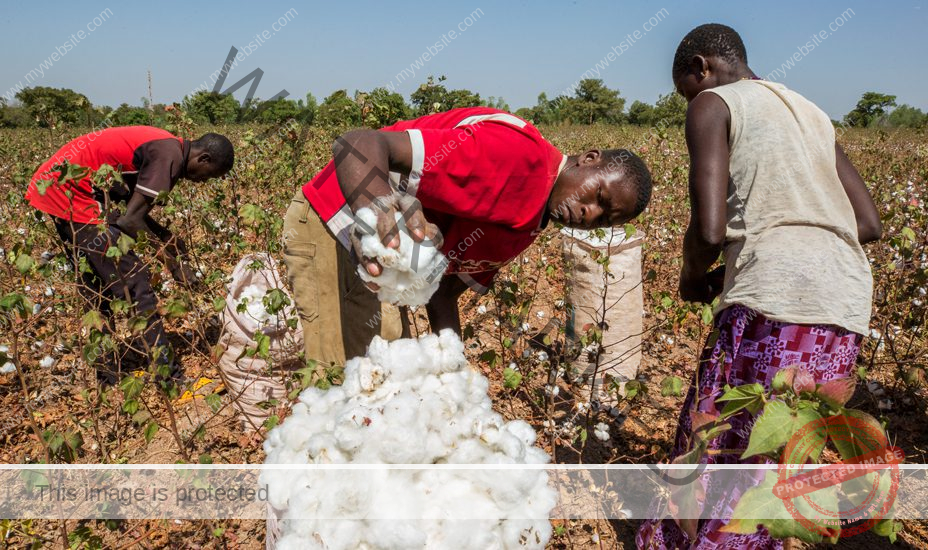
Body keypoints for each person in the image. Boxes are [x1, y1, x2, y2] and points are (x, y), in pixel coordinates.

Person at [637, 24, 881, 549]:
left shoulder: (714, 103)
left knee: (719, 441)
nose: (691, 99)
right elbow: (869, 225)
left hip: (774, 293)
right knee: (780, 461)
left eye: (687, 87)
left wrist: (689, 277)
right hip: (845, 300)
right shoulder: (812, 113)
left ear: (701, 68)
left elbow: (708, 229)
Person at [283, 107, 652, 375]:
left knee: (389, 375)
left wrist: (451, 364)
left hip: (378, 263)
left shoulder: (533, 222)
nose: (590, 214)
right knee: (351, 385)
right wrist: (376, 212)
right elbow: (357, 144)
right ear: (588, 159)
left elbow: (443, 291)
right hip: (335, 222)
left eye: (604, 218)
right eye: (598, 197)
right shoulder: (517, 157)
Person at [26, 126, 235, 383]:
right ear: (203, 159)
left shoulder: (169, 146)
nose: (204, 182)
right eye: (209, 176)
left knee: (99, 286)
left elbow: (132, 208)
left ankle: (108, 376)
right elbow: (129, 221)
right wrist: (173, 264)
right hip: (73, 194)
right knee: (135, 285)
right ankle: (168, 377)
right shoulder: (169, 156)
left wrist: (165, 237)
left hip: (57, 187)